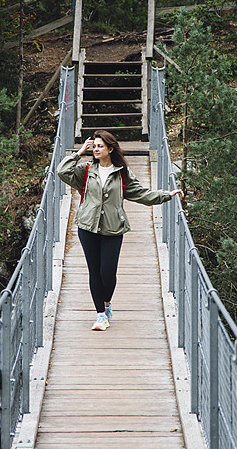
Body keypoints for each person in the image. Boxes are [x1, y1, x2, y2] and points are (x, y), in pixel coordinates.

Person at [57, 130, 184, 331]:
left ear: (110, 148)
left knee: (108, 273)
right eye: (94, 146)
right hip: (87, 227)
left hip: (113, 228)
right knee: (94, 272)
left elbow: (142, 194)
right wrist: (78, 153)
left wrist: (166, 195)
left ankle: (107, 304)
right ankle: (100, 315)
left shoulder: (122, 173)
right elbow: (62, 172)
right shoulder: (86, 169)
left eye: (100, 146)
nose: (96, 149)